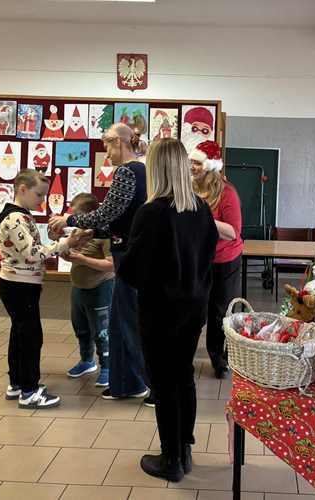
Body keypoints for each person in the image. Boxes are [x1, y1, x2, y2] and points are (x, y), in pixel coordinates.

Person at [122, 138, 218, 482]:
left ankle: (171, 459)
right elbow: (208, 257)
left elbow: (132, 270)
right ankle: (185, 449)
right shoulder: (201, 209)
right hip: (194, 307)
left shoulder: (152, 213)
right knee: (183, 376)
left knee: (163, 382)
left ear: (156, 169)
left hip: (160, 311)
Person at [48, 123, 151, 403]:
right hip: (129, 252)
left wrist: (70, 220)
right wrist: (91, 233)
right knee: (122, 323)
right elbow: (121, 220)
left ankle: (139, 383)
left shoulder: (128, 171)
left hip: (128, 256)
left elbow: (107, 213)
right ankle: (126, 382)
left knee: (127, 323)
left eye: (107, 145)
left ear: (119, 142)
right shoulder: (140, 170)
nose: (106, 153)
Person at [0, 170, 91, 409]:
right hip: (19, 285)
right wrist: (64, 243)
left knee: (20, 334)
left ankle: (17, 383)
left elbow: (30, 246)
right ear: (22, 189)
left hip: (20, 284)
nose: (42, 200)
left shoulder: (20, 216)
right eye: (38, 194)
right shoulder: (15, 218)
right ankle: (29, 392)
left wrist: (59, 242)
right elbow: (32, 253)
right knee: (30, 337)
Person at [189, 140, 244, 378]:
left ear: (210, 166)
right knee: (194, 310)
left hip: (224, 260)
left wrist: (202, 217)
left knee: (219, 313)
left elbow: (233, 232)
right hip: (197, 259)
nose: (192, 167)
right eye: (191, 162)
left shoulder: (227, 193)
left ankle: (219, 360)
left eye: (197, 163)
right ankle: (185, 358)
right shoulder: (189, 188)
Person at [62, 193, 115, 387]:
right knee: (81, 327)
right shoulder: (77, 232)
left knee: (102, 332)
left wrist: (83, 260)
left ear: (91, 214)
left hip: (100, 288)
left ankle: (108, 367)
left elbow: (111, 265)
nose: (74, 221)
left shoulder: (104, 234)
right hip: (78, 287)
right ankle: (87, 361)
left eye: (77, 216)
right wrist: (66, 254)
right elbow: (72, 253)